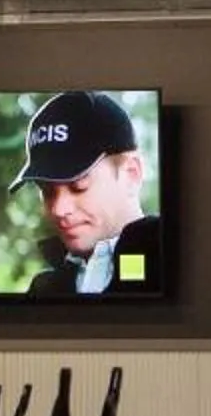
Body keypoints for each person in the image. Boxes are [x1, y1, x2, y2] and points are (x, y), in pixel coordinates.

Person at [16, 90, 162, 295]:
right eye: (46, 191)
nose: (59, 209)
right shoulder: (45, 289)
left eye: (78, 186)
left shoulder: (173, 259)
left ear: (131, 174)